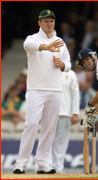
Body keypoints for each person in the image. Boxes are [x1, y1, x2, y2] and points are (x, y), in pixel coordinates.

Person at [13, 9, 71, 174]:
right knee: (31, 125)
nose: (49, 24)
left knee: (49, 128)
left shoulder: (60, 41)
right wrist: (47, 46)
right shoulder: (32, 38)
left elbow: (68, 64)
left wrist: (62, 65)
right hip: (36, 89)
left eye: (51, 21)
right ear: (39, 23)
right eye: (46, 21)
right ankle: (20, 164)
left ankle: (43, 164)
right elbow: (27, 45)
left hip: (55, 89)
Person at [49, 70, 79, 173]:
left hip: (65, 112)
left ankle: (58, 167)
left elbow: (75, 93)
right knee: (47, 139)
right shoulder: (49, 71)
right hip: (49, 112)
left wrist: (75, 112)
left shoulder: (71, 74)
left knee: (61, 141)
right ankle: (47, 165)